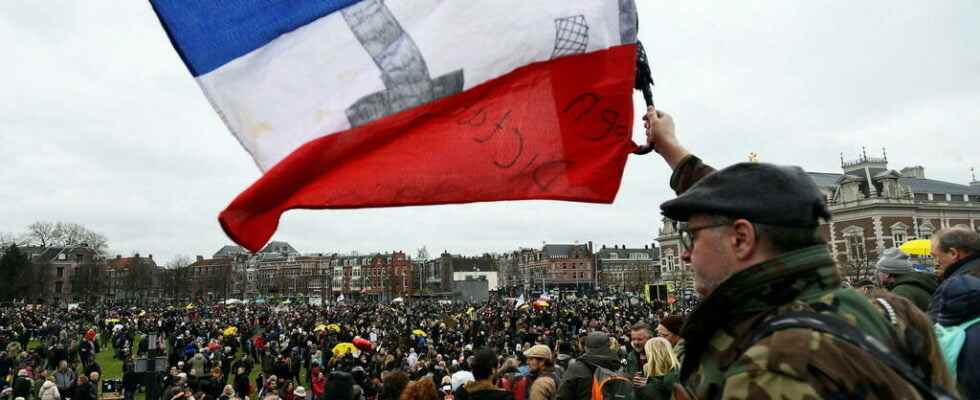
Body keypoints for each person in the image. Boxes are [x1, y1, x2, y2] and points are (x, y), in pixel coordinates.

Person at [643, 106, 952, 399]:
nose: (686, 255)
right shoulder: (893, 315)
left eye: (692, 238)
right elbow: (738, 205)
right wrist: (672, 149)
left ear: (741, 239)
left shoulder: (772, 371)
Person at [929, 227, 980, 398]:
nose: (935, 263)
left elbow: (933, 329)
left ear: (953, 253)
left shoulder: (955, 285)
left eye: (936, 256)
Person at [555, 333, 621, 400]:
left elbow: (562, 396)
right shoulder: (617, 367)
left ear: (586, 348)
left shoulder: (576, 368)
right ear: (609, 346)